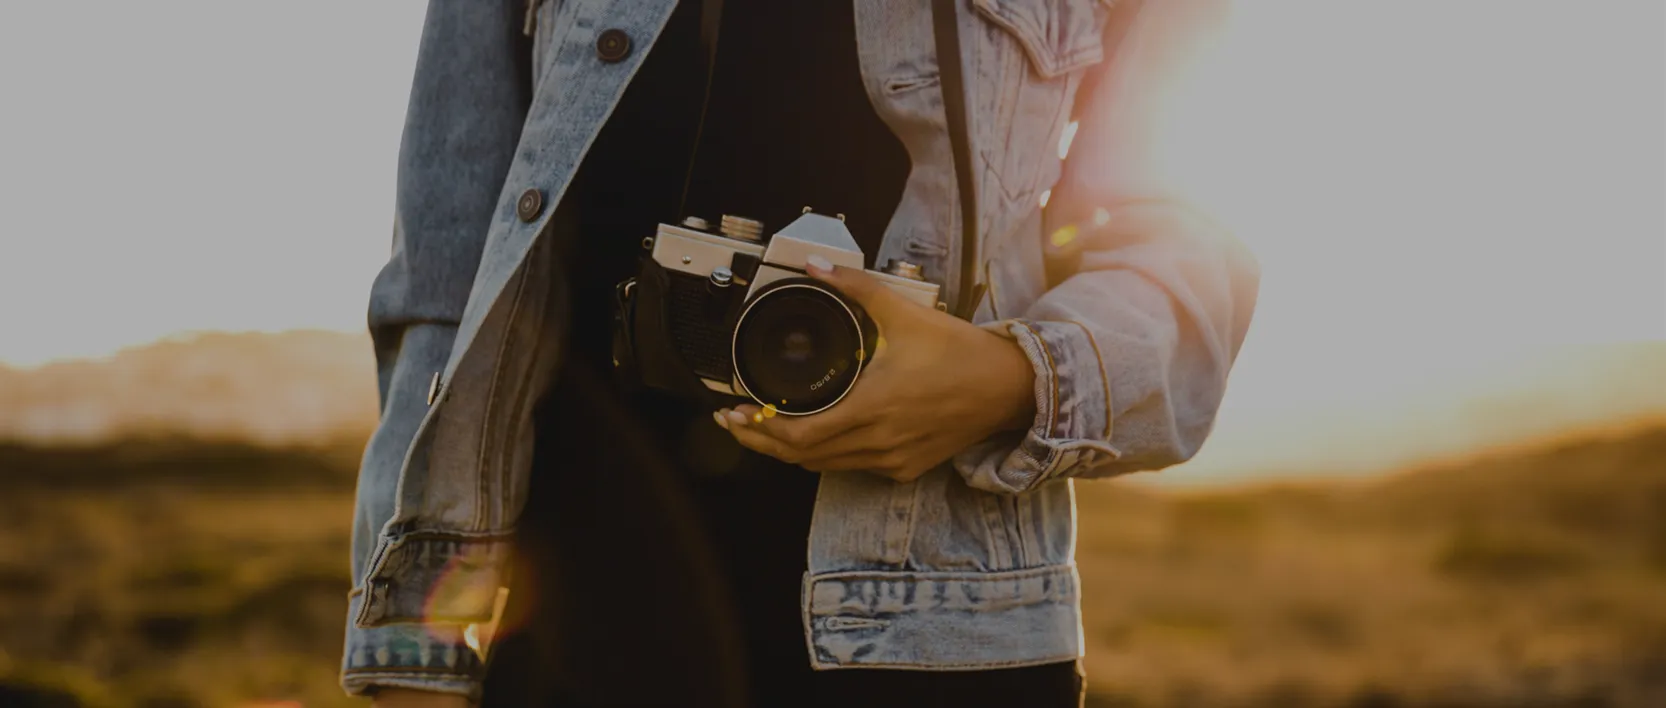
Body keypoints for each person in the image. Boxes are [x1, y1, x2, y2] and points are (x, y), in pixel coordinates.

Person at [341, 0, 1258, 706]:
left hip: (947, 636)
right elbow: (447, 283)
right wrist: (409, 657)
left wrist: (1009, 379)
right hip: (567, 613)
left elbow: (1177, 241)